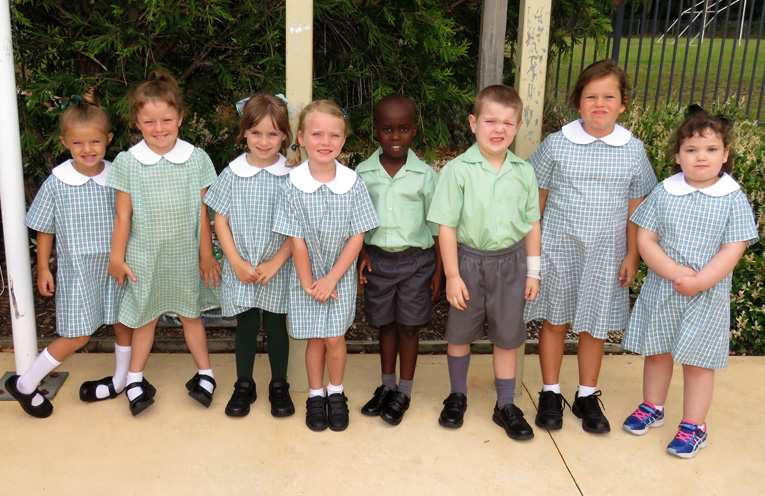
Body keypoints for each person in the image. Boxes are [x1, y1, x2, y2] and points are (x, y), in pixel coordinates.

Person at [524, 60, 656, 434]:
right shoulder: (557, 144)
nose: (600, 104)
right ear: (578, 103)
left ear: (623, 103)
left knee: (593, 326)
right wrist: (531, 254)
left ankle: (585, 395)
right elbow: (538, 201)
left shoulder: (633, 149)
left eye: (609, 96)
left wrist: (633, 253)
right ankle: (550, 392)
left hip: (607, 252)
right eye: (591, 96)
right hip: (557, 247)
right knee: (554, 320)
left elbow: (636, 208)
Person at [621, 106, 758, 458]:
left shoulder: (732, 197)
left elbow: (734, 247)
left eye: (711, 149)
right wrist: (675, 272)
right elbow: (646, 239)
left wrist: (700, 281)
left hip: (706, 295)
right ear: (678, 156)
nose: (701, 157)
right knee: (658, 352)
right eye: (692, 150)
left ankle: (694, 426)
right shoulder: (665, 192)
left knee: (698, 362)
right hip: (664, 288)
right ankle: (653, 406)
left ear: (725, 155)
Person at [6, 88, 132, 418]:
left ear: (108, 139)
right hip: (78, 271)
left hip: (115, 266)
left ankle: (119, 379)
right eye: (78, 143)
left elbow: (128, 217)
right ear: (65, 143)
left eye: (94, 142)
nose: (87, 150)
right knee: (77, 334)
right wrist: (44, 268)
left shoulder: (118, 176)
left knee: (123, 322)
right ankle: (24, 384)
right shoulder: (57, 182)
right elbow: (44, 227)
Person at [427, 85, 541, 440]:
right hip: (468, 262)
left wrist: (533, 271)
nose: (498, 129)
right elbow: (445, 226)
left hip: (510, 263)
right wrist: (451, 275)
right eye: (490, 120)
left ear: (518, 126)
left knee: (507, 338)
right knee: (460, 334)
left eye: (507, 123)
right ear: (474, 123)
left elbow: (532, 223)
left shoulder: (523, 172)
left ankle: (505, 404)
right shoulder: (457, 171)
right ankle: (457, 395)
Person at [107, 71, 221, 416]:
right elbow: (123, 216)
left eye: (167, 120)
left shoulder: (196, 158)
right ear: (137, 123)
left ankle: (206, 373)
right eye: (149, 121)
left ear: (181, 118)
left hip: (186, 254)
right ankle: (135, 378)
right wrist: (116, 257)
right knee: (145, 318)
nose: (159, 128)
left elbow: (205, 212)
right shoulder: (128, 161)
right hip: (144, 256)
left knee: (191, 316)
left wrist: (206, 254)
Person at [273, 100, 379, 432]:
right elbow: (296, 239)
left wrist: (332, 279)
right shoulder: (291, 185)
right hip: (306, 277)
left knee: (334, 338)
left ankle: (336, 392)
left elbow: (357, 236)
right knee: (314, 340)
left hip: (339, 277)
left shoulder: (353, 183)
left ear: (343, 141)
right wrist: (309, 283)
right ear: (301, 138)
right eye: (316, 133)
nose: (325, 142)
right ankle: (315, 395)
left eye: (334, 135)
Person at [203, 94, 295, 418]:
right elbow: (221, 220)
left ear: (285, 135)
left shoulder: (292, 174)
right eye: (256, 133)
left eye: (272, 134)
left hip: (277, 266)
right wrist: (236, 262)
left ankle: (278, 385)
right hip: (240, 266)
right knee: (245, 325)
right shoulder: (232, 173)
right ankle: (244, 384)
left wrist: (277, 261)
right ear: (244, 134)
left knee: (275, 326)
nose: (264, 141)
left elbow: (298, 227)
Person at [356, 95, 443, 426]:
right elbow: (357, 221)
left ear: (414, 131)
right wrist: (362, 252)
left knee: (409, 325)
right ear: (375, 131)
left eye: (403, 129)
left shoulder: (425, 176)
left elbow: (436, 225)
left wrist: (440, 270)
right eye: (387, 129)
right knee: (385, 324)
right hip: (378, 260)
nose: (395, 136)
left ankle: (404, 391)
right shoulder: (363, 173)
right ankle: (386, 386)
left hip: (417, 263)